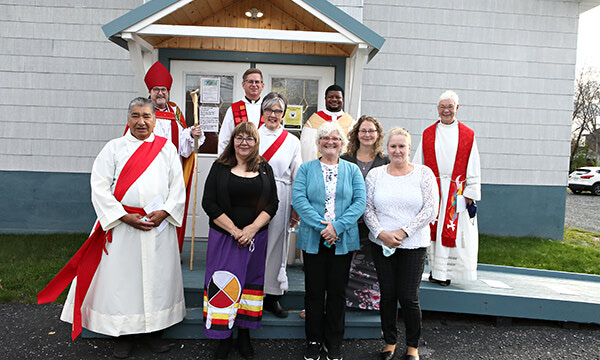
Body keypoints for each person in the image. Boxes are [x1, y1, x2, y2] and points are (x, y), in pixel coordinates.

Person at [38, 97, 187, 359]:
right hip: (122, 227)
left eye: (146, 116)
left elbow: (178, 187)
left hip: (157, 226)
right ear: (128, 119)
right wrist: (122, 216)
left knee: (157, 281)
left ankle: (153, 333)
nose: (141, 121)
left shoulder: (168, 150)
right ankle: (124, 334)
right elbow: (99, 186)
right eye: (135, 116)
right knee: (124, 283)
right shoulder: (114, 148)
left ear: (154, 120)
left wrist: (164, 212)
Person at [202, 122, 278, 359]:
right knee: (223, 285)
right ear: (233, 140)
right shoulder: (220, 167)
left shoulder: (265, 168)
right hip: (225, 237)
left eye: (250, 138)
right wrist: (235, 231)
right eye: (239, 138)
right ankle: (222, 336)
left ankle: (244, 334)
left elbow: (272, 204)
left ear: (256, 143)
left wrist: (252, 229)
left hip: (255, 238)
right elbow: (209, 203)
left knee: (249, 285)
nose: (244, 142)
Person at [292, 122, 366, 360]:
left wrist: (337, 227)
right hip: (314, 238)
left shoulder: (352, 170)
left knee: (336, 293)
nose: (330, 142)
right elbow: (299, 200)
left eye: (335, 138)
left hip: (342, 240)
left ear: (342, 143)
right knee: (314, 292)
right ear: (319, 143)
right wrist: (323, 227)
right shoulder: (306, 169)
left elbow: (359, 203)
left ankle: (333, 341)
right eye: (325, 138)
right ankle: (313, 340)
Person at [364, 127, 438, 360]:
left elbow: (431, 208)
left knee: (408, 297)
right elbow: (367, 208)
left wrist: (404, 232)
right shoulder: (375, 175)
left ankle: (413, 346)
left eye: (402, 146)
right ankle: (389, 342)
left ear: (409, 148)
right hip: (382, 243)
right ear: (387, 148)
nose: (397, 150)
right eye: (393, 146)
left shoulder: (423, 174)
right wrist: (381, 233)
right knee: (387, 294)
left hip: (413, 245)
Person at [413, 90, 481, 285]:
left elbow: (473, 163)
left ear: (457, 108)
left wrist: (471, 191)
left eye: (450, 107)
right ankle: (436, 272)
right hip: (434, 189)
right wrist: (418, 187)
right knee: (432, 231)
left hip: (457, 191)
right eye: (442, 107)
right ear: (437, 109)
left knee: (455, 231)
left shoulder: (468, 135)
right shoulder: (428, 133)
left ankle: (450, 273)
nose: (446, 111)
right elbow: (419, 163)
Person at [144, 60, 205, 252]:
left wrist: (193, 136)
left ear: (168, 92)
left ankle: (170, 251)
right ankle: (148, 248)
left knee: (170, 209)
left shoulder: (175, 112)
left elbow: (184, 148)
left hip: (172, 172)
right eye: (156, 89)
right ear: (150, 92)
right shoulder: (143, 112)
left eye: (163, 89)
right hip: (148, 172)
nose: (160, 93)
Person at [258, 92, 302, 319]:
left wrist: (296, 205)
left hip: (281, 194)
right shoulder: (252, 135)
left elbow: (297, 175)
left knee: (277, 244)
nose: (273, 115)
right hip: (254, 194)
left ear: (283, 114)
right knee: (255, 243)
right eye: (269, 110)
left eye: (278, 111)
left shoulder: (292, 141)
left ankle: (272, 296)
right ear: (262, 112)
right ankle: (252, 293)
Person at [341, 115, 389, 310]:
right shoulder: (345, 159)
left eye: (371, 131)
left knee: (371, 265)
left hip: (374, 223)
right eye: (363, 130)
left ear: (377, 135)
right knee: (342, 266)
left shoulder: (385, 161)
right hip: (348, 221)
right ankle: (337, 302)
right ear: (356, 134)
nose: (367, 134)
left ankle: (368, 304)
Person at [300, 85, 355, 162]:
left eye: (338, 97)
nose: (334, 99)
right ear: (325, 98)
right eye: (330, 97)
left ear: (343, 99)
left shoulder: (351, 123)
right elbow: (307, 149)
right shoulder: (313, 122)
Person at [218, 68, 265, 155]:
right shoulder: (234, 109)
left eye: (257, 82)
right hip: (239, 161)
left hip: (263, 159)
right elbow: (224, 140)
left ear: (262, 86)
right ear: (243, 84)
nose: (254, 85)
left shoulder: (268, 109)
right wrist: (222, 164)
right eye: (250, 81)